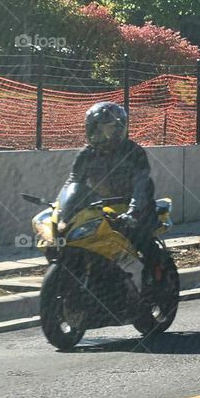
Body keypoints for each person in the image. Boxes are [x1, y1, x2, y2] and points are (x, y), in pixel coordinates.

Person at [64, 100, 158, 285]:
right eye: (102, 128)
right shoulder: (86, 154)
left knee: (141, 241)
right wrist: (63, 209)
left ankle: (152, 282)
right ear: (91, 129)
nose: (108, 133)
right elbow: (73, 183)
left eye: (113, 127)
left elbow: (141, 183)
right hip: (101, 209)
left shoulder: (133, 151)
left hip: (135, 209)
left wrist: (133, 211)